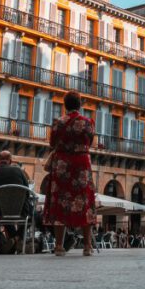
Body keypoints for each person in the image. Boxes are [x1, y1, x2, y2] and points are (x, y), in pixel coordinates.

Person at [43, 91, 96, 257]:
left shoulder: (57, 123)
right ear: (80, 104)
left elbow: (52, 143)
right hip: (81, 165)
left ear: (65, 105)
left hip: (62, 165)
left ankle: (59, 246)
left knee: (61, 201)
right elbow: (90, 141)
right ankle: (87, 246)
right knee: (85, 202)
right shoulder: (87, 123)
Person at [0, 150, 32, 253]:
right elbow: (27, 191)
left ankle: (13, 239)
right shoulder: (18, 171)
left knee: (3, 213)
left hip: (0, 212)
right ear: (10, 161)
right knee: (31, 215)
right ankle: (17, 238)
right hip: (21, 211)